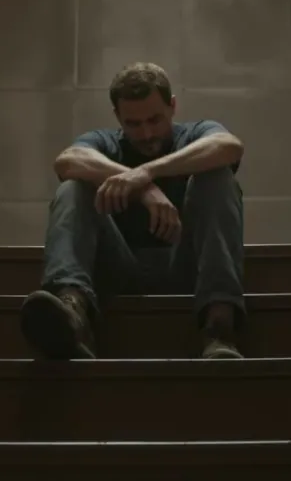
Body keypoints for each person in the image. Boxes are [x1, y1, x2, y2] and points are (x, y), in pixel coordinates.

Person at [20, 62, 247, 360]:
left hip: (189, 268)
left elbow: (229, 147)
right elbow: (67, 162)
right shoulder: (105, 142)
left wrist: (144, 173)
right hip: (118, 270)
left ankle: (220, 327)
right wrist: (145, 189)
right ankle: (72, 314)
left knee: (218, 178)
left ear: (172, 106)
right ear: (117, 117)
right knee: (73, 189)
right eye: (134, 124)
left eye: (154, 119)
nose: (146, 133)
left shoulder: (195, 133)